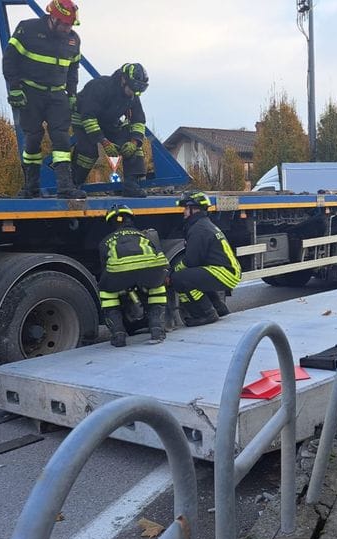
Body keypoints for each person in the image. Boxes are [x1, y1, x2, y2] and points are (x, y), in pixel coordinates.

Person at [2, 0, 86, 199]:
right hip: (31, 92)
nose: (68, 29)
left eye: (71, 25)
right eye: (65, 24)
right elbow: (9, 59)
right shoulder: (28, 29)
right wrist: (14, 88)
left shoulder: (73, 40)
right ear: (53, 17)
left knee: (62, 138)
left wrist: (72, 94)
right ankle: (31, 187)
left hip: (57, 95)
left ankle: (65, 187)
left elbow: (73, 69)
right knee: (32, 137)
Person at [71, 63, 150, 198]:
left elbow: (138, 121)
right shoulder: (100, 87)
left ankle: (131, 185)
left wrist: (134, 142)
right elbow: (88, 117)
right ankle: (74, 184)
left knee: (133, 146)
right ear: (124, 80)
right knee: (88, 151)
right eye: (132, 89)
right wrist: (104, 142)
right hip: (83, 119)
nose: (134, 94)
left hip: (108, 121)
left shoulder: (133, 95)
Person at [97, 205, 169, 346]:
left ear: (111, 222)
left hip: (120, 274)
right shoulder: (144, 235)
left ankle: (118, 335)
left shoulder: (106, 241)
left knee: (107, 293)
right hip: (151, 271)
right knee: (157, 288)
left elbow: (105, 268)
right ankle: (157, 330)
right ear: (131, 219)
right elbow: (158, 254)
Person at [168, 192, 241, 327]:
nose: (183, 212)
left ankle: (205, 314)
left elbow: (191, 261)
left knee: (179, 279)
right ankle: (219, 308)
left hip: (225, 272)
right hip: (228, 270)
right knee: (196, 276)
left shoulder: (198, 229)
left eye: (185, 208)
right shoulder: (203, 224)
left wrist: (172, 272)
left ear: (194, 209)